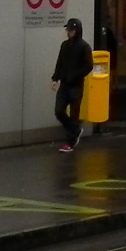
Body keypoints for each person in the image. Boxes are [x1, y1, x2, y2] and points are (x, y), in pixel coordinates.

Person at [50, 17, 91, 153]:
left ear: (77, 30)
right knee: (59, 111)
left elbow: (88, 66)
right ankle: (75, 130)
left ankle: (70, 141)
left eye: (71, 30)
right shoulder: (65, 46)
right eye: (68, 30)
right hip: (65, 84)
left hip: (76, 85)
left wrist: (76, 75)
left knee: (74, 114)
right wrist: (55, 78)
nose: (68, 32)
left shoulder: (84, 47)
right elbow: (59, 63)